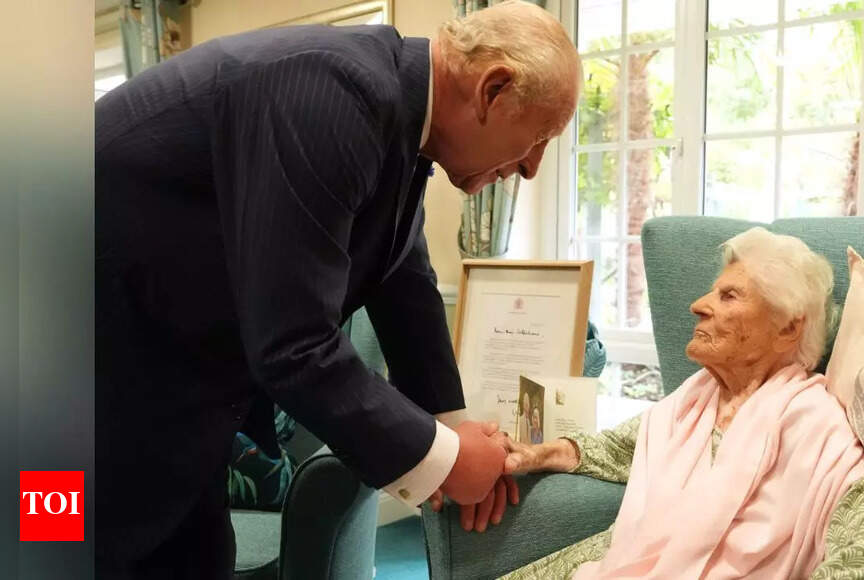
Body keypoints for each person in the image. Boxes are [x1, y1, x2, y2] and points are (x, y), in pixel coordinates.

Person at [93, 0, 580, 577]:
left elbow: (403, 279)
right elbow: (294, 345)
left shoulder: (395, 117)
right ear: (492, 89)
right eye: (541, 136)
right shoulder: (330, 92)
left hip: (166, 400)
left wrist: (451, 428)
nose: (531, 169)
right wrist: (446, 459)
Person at [499, 227, 864, 579]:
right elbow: (617, 449)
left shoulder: (814, 423)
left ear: (787, 328)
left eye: (729, 296)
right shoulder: (693, 402)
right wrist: (537, 452)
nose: (697, 306)